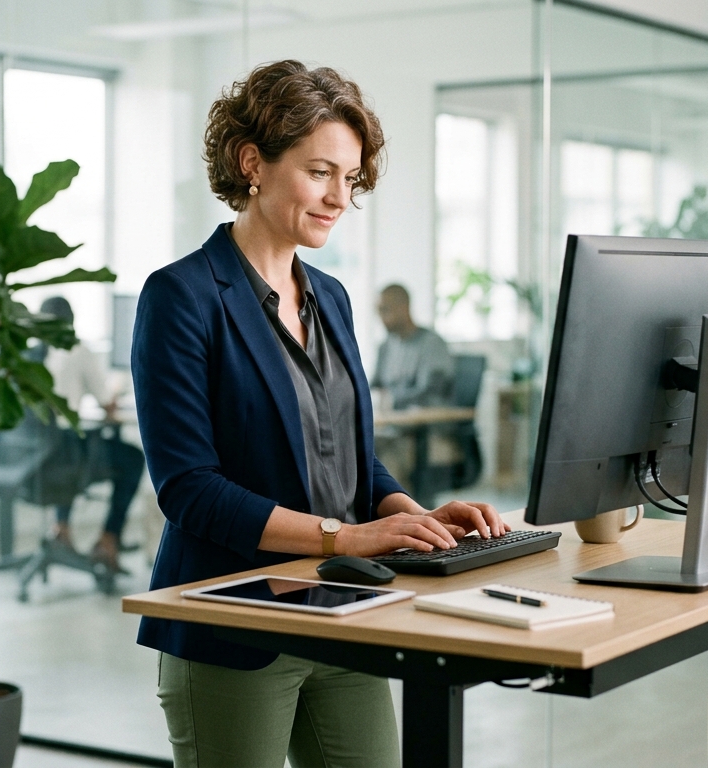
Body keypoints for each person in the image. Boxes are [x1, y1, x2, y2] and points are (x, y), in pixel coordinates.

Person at [132, 60, 510, 768]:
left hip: (340, 609)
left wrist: (415, 517)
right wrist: (350, 537)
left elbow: (350, 458)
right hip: (233, 626)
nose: (341, 197)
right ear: (253, 163)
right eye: (320, 172)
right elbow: (188, 489)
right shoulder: (182, 297)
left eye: (351, 178)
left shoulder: (330, 297)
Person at [39, 296, 146, 574]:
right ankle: (108, 540)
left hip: (31, 459)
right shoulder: (77, 350)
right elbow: (106, 404)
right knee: (133, 459)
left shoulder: (28, 355)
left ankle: (61, 529)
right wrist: (116, 391)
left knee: (65, 448)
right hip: (63, 455)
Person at [371, 283, 454, 410]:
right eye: (378, 312)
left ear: (403, 308)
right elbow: (374, 386)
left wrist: (392, 401)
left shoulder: (432, 344)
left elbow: (430, 393)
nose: (381, 318)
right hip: (390, 418)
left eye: (385, 310)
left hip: (423, 418)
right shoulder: (386, 346)